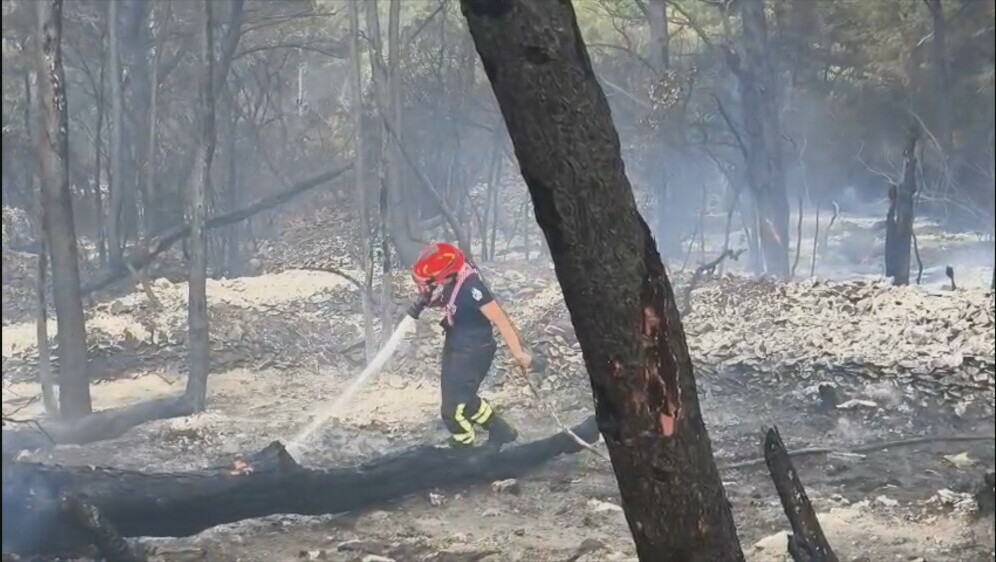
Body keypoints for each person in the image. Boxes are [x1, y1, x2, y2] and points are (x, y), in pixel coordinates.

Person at [407, 242, 530, 448]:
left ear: (448, 273)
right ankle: (500, 430)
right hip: (456, 343)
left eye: (431, 281)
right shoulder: (451, 281)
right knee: (462, 397)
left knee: (451, 410)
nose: (428, 285)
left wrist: (518, 354)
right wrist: (430, 300)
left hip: (474, 351)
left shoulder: (473, 288)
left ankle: (463, 447)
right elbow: (452, 304)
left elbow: (501, 320)